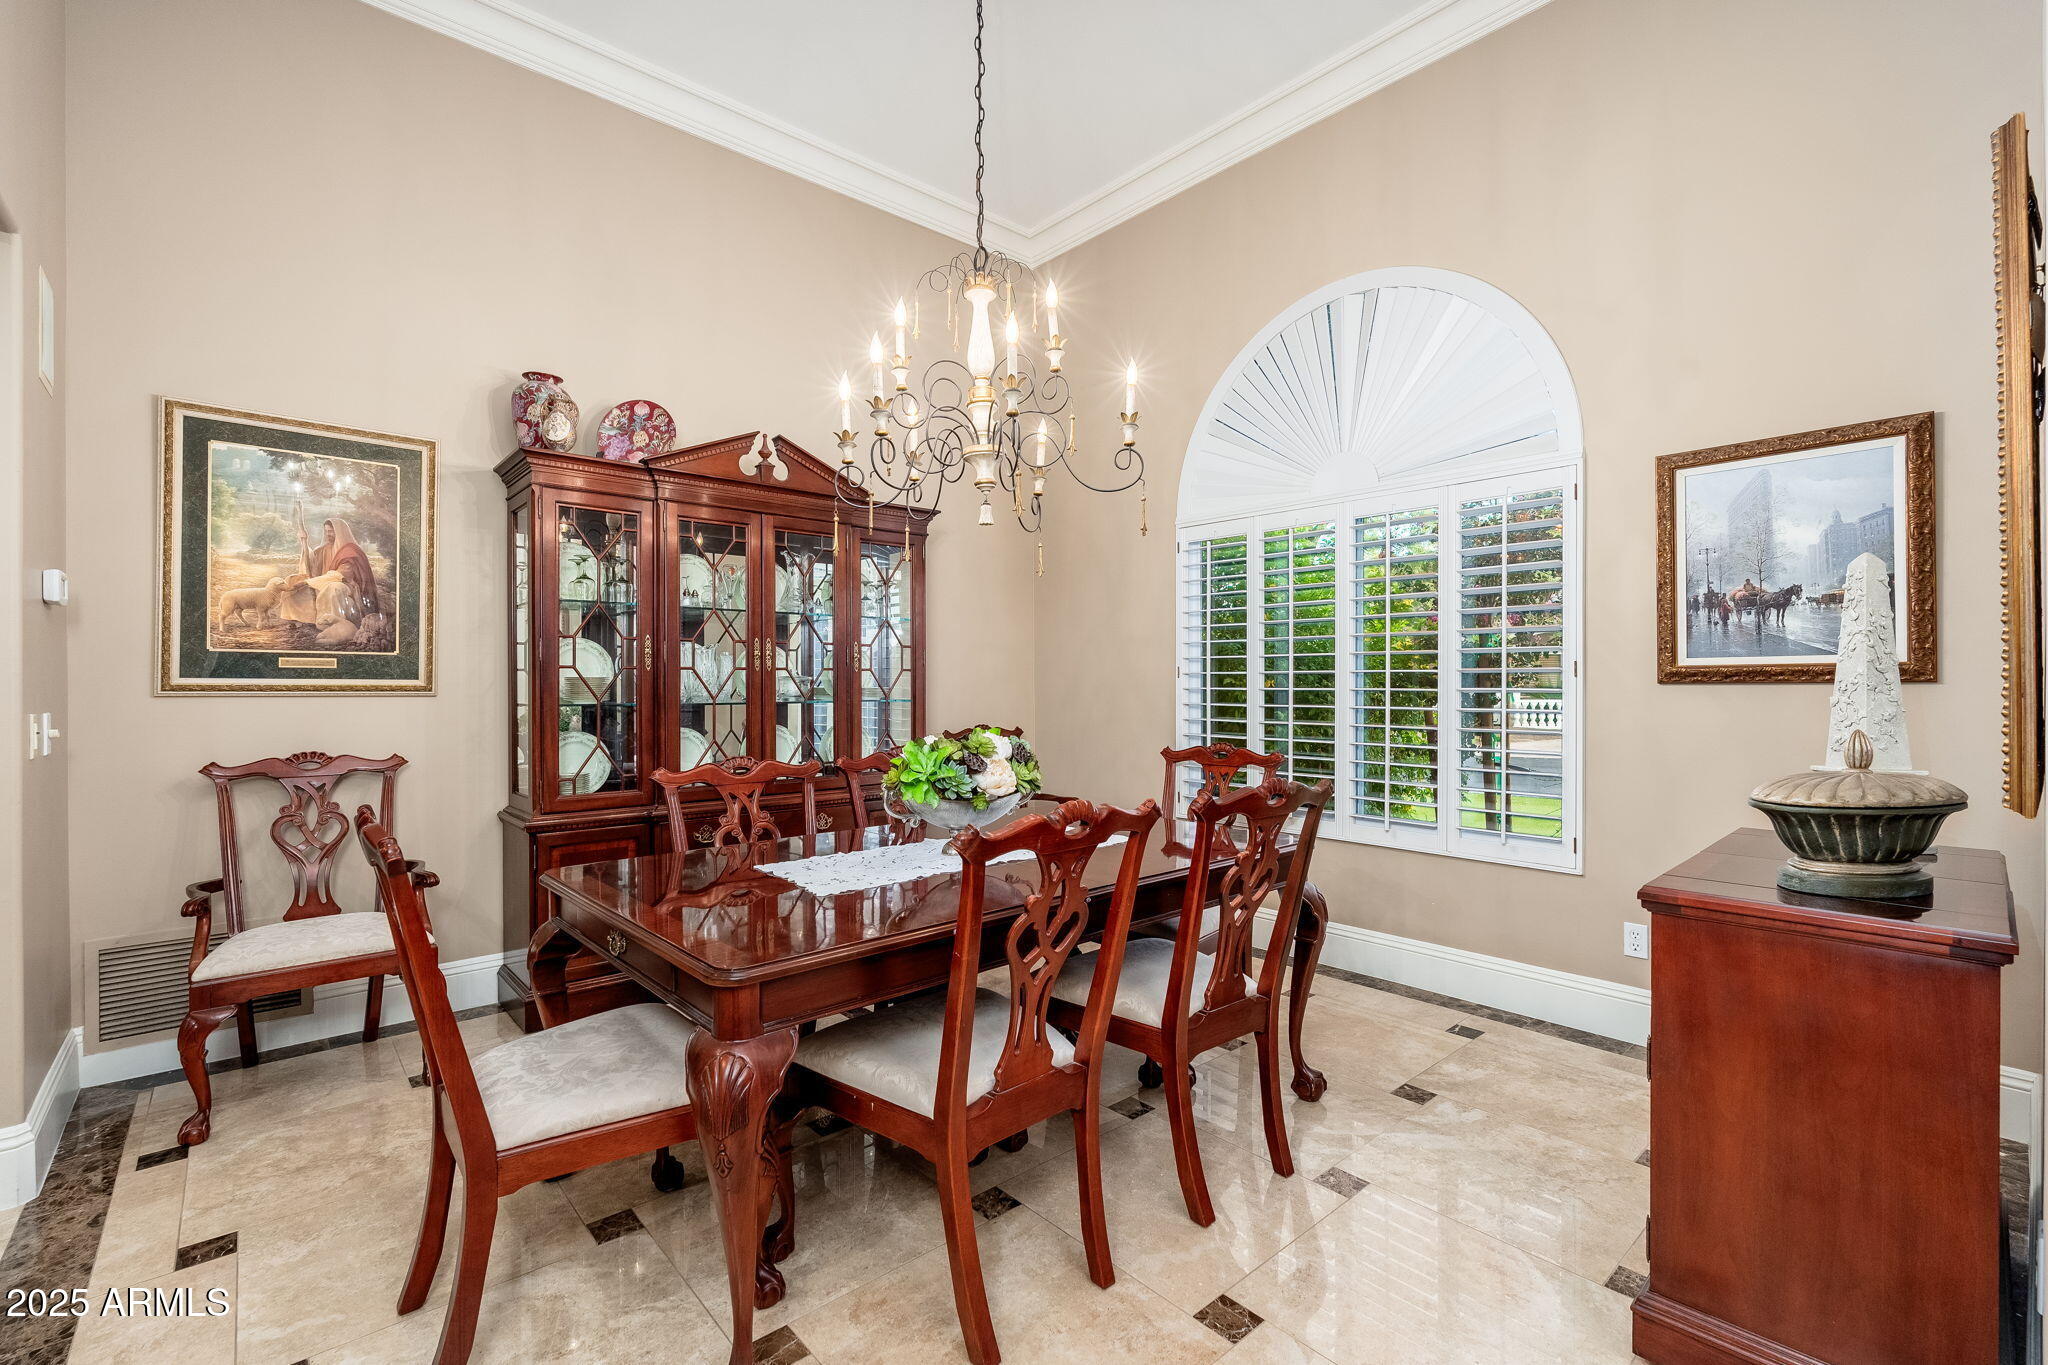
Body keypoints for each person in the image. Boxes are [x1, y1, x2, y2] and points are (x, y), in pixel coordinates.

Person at [298, 515, 381, 621]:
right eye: (326, 531)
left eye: (331, 531)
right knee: (293, 582)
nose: (328, 534)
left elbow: (341, 575)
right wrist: (304, 543)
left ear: (340, 532)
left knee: (334, 588)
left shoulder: (350, 550)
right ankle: (304, 620)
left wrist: (309, 582)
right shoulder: (324, 549)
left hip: (347, 586)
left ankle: (337, 622)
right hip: (322, 582)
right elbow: (310, 565)